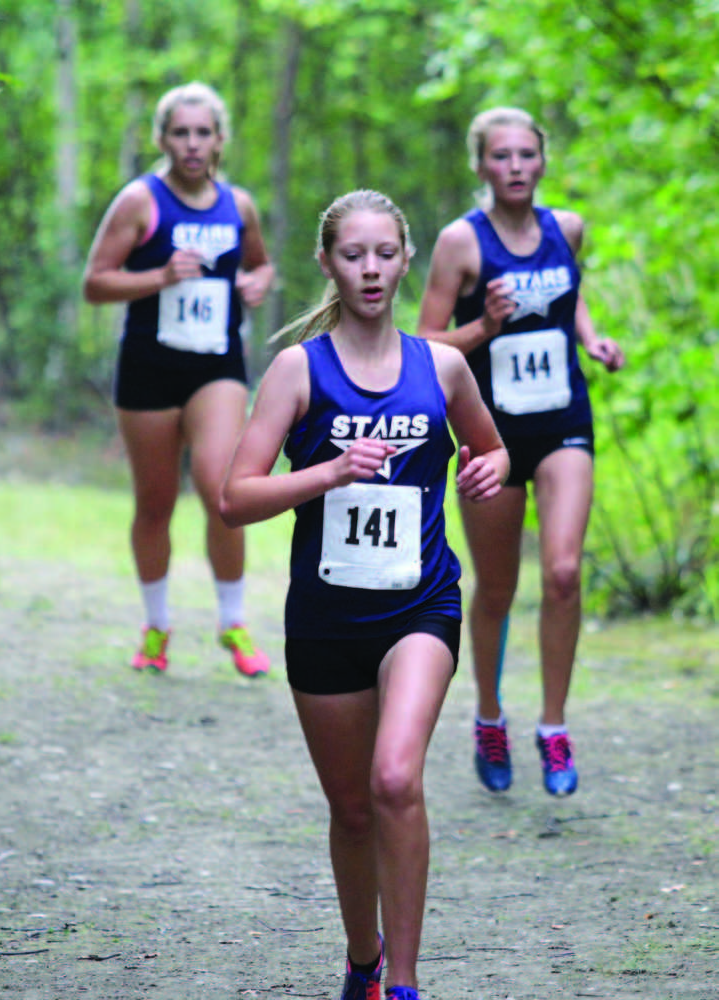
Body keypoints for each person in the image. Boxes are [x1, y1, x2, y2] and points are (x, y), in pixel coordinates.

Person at [220, 190, 509, 1000]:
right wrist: (328, 471)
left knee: (393, 781)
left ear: (406, 258)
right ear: (327, 264)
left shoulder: (442, 367)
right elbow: (234, 496)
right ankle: (364, 960)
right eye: (354, 255)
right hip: (325, 618)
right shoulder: (296, 370)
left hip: (420, 605)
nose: (371, 269)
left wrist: (489, 469)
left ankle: (407, 984)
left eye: (385, 253)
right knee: (351, 810)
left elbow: (491, 454)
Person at [417, 107, 624, 796]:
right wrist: (485, 323)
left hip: (564, 417)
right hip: (490, 433)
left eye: (526, 155)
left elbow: (573, 291)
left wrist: (591, 338)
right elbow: (425, 343)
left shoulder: (566, 228)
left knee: (563, 572)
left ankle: (554, 727)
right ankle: (488, 716)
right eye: (500, 156)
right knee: (498, 587)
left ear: (542, 161)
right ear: (480, 166)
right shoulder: (460, 243)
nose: (514, 167)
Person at [83, 81, 274, 676]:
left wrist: (259, 282)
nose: (192, 144)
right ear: (163, 138)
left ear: (220, 138)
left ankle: (233, 623)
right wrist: (160, 276)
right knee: (155, 503)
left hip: (216, 365)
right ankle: (158, 626)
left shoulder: (238, 205)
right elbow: (95, 282)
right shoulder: (141, 201)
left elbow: (261, 264)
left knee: (224, 493)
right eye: (180, 132)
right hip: (148, 365)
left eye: (203, 132)